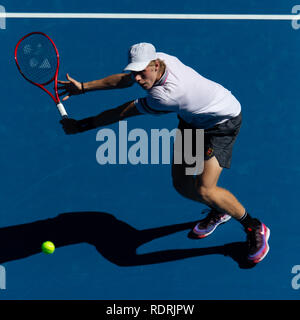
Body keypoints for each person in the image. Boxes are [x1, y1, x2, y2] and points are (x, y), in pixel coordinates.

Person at [58, 42, 270, 264]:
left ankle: (254, 226)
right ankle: (220, 209)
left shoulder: (167, 95)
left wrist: (83, 125)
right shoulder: (156, 60)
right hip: (193, 122)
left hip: (222, 123)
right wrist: (83, 87)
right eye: (135, 72)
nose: (138, 79)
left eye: (142, 73)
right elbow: (124, 80)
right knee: (182, 185)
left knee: (205, 188)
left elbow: (123, 112)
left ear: (156, 65)